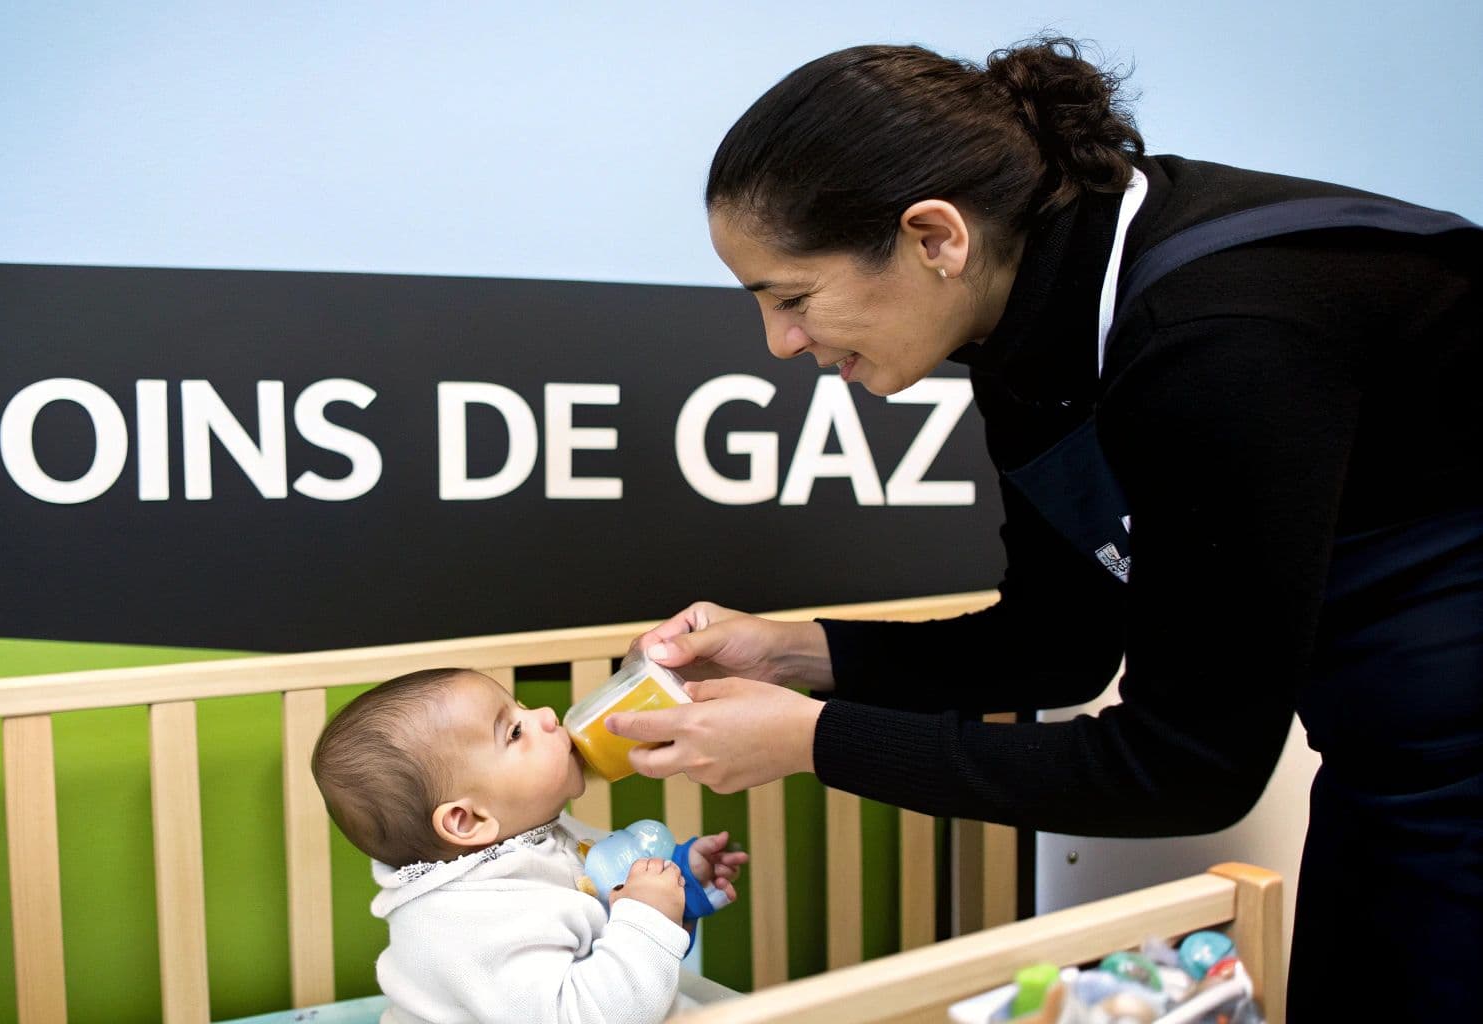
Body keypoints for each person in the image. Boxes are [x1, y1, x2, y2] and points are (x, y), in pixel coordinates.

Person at [603, 36, 1481, 1017]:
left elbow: (1186, 769)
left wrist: (815, 740)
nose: (780, 342)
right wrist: (792, 653)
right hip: (1391, 762)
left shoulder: (1220, 332)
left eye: (793, 297)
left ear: (934, 237)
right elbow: (1056, 644)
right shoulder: (1026, 340)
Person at [310, 667, 746, 1024]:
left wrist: (679, 883)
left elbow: (610, 901)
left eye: (520, 705)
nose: (548, 715)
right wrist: (648, 914)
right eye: (515, 731)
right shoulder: (467, 922)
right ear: (468, 820)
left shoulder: (538, 838)